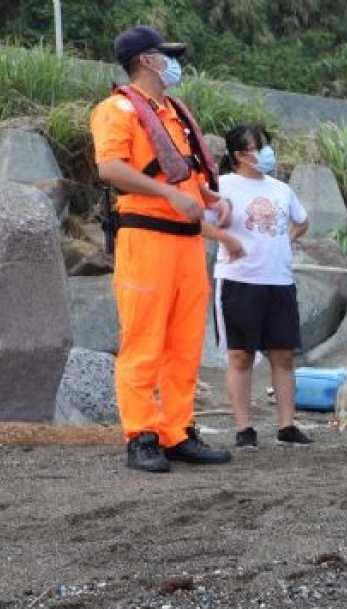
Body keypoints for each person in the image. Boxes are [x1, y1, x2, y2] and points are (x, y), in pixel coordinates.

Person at [90, 25, 233, 473]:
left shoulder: (173, 110)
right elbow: (110, 167)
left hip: (186, 244)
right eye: (166, 54)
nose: (174, 62)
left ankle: (178, 431)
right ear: (147, 60)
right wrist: (171, 196)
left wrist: (211, 197)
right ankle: (142, 435)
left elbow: (183, 171)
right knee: (143, 341)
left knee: (185, 344)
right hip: (145, 238)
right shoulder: (117, 109)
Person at [204, 124, 312, 449]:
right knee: (241, 355)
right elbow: (198, 222)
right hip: (239, 280)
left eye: (267, 146)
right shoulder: (222, 186)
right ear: (238, 155)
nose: (266, 153)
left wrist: (287, 239)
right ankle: (244, 427)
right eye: (258, 147)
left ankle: (287, 425)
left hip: (279, 280)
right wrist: (227, 240)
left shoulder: (280, 188)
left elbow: (302, 219)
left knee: (283, 355)